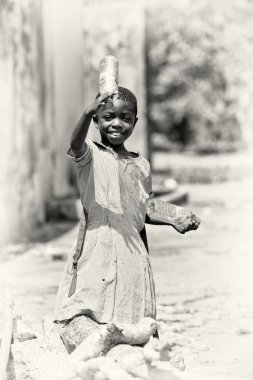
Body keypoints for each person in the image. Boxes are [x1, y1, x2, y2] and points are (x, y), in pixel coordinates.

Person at [53, 86, 199, 354]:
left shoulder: (142, 165)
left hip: (133, 254)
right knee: (89, 313)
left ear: (135, 121)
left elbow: (144, 207)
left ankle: (132, 349)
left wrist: (176, 216)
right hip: (98, 250)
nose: (117, 123)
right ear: (96, 120)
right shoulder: (90, 155)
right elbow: (75, 144)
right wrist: (85, 113)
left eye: (125, 117)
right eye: (108, 117)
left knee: (132, 317)